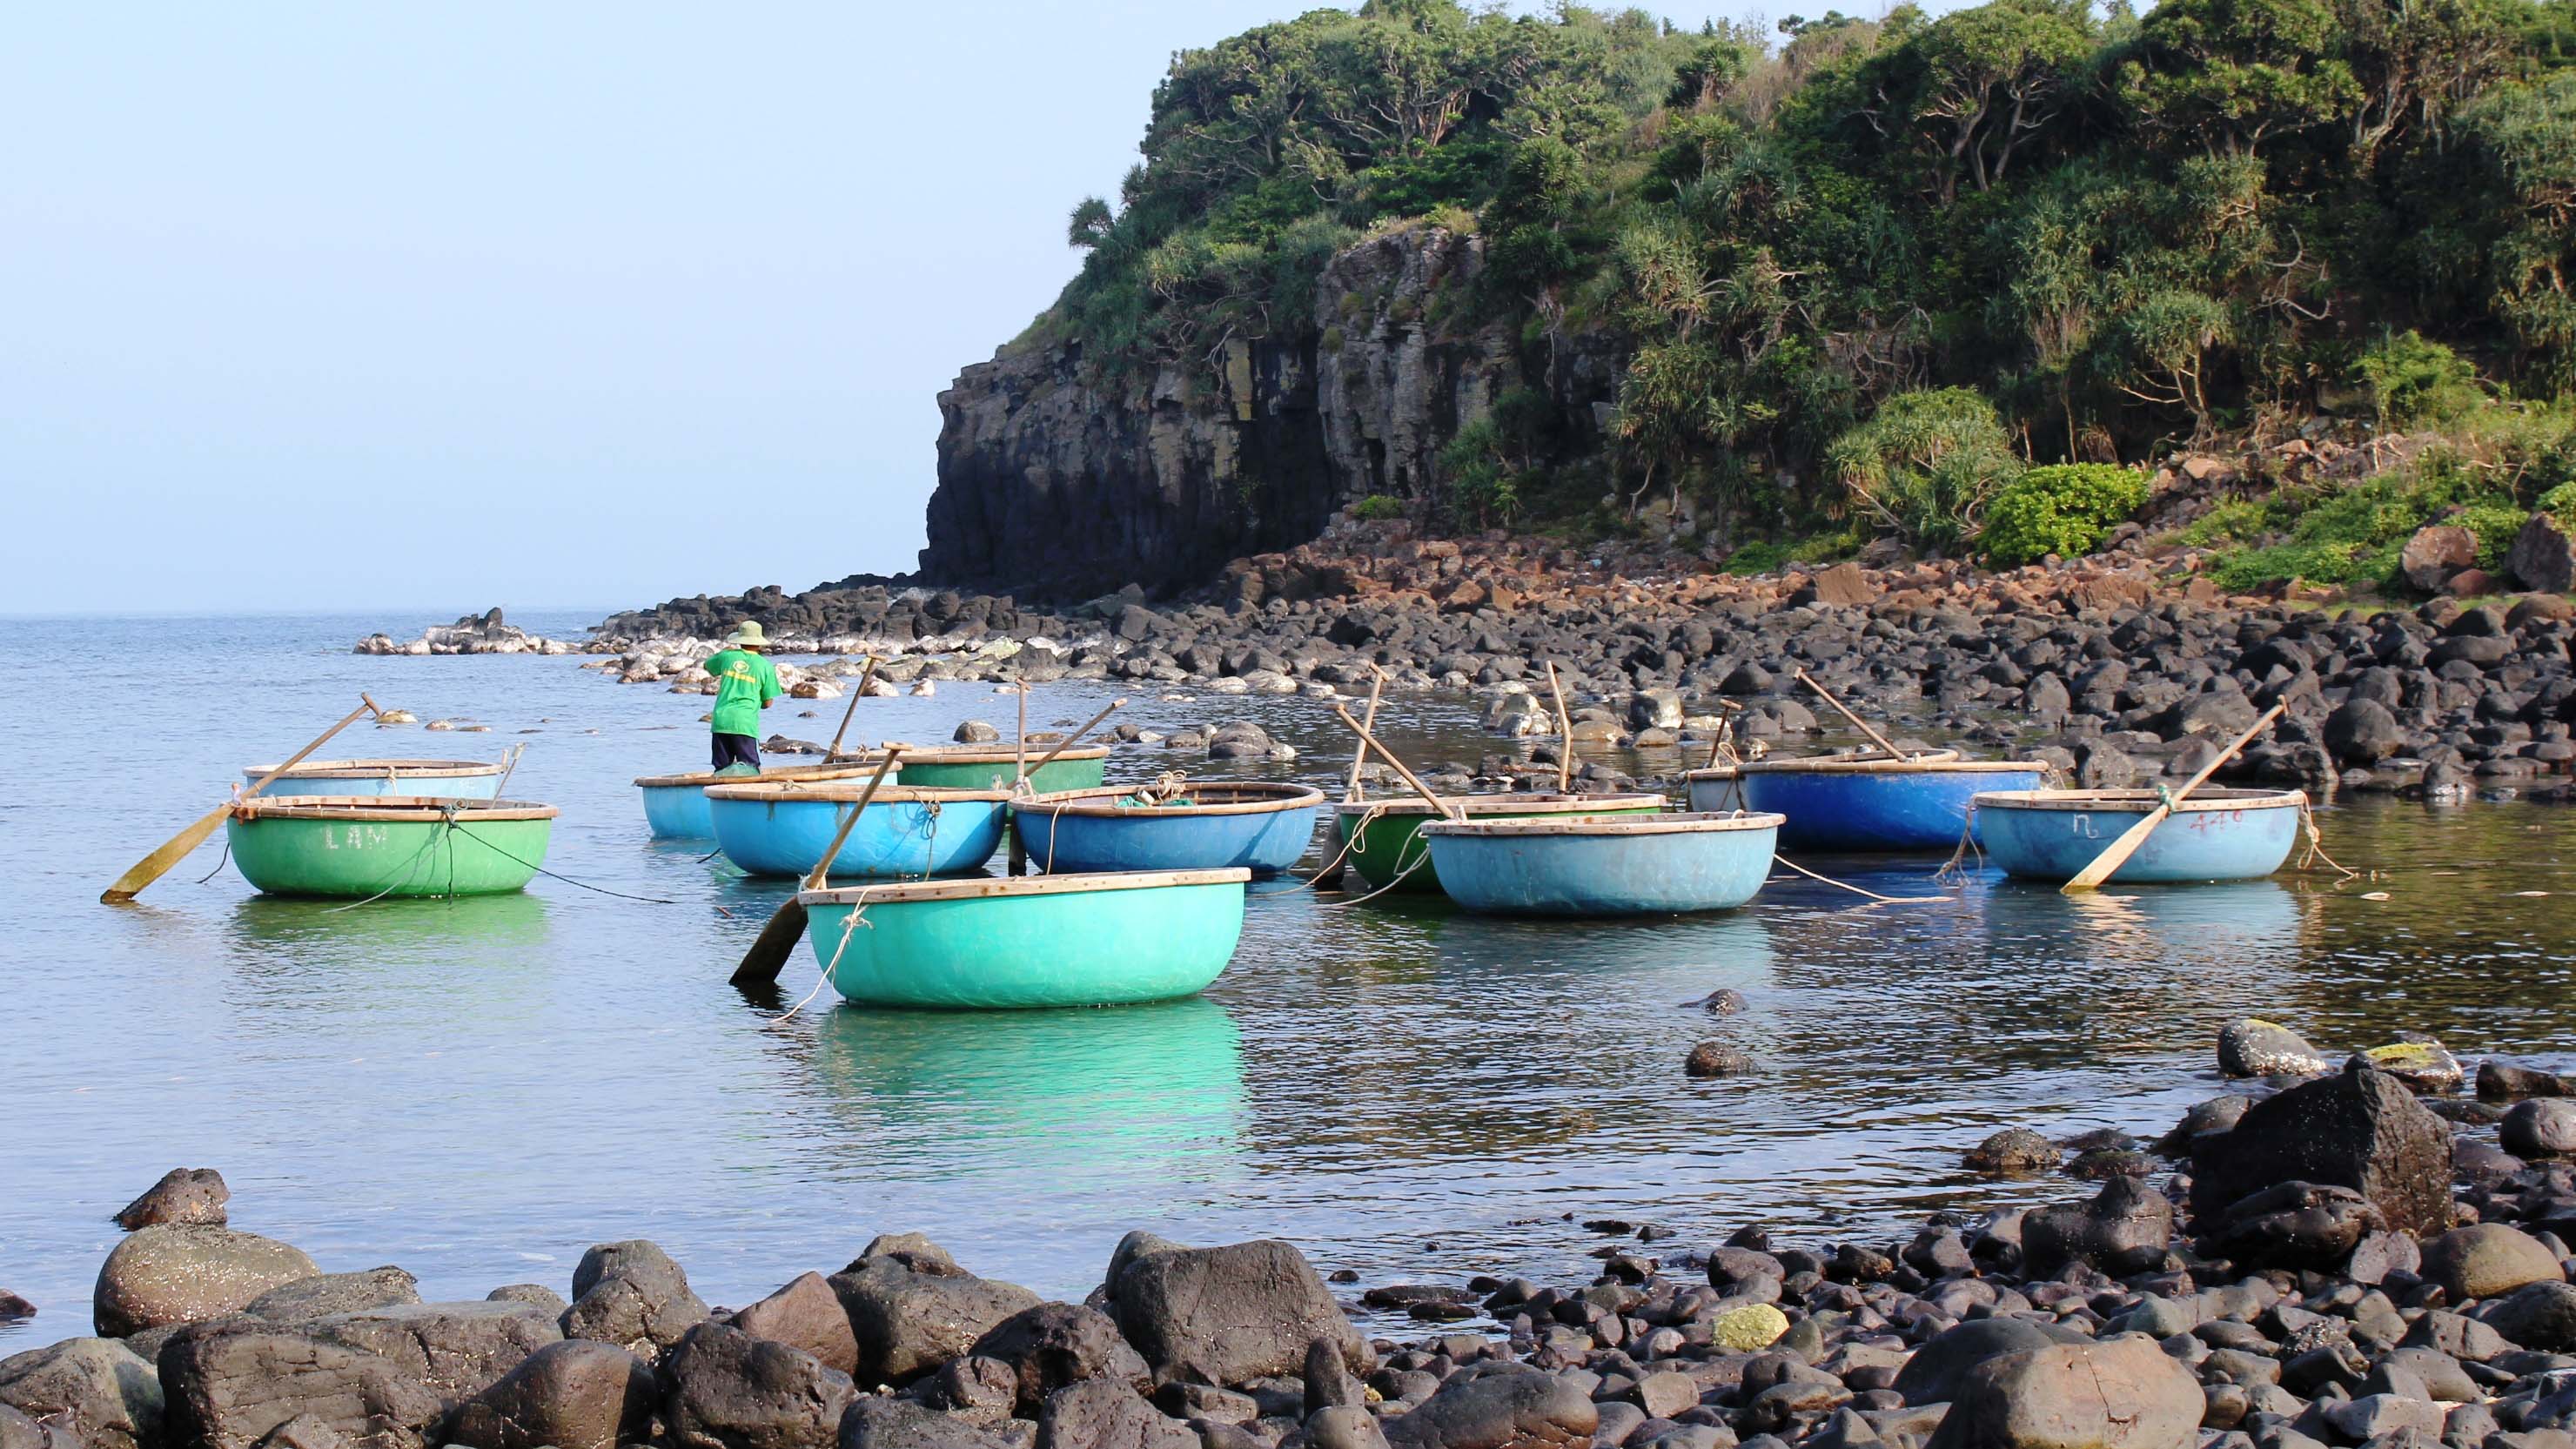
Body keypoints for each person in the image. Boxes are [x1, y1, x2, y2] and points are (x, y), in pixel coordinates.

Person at [706, 622, 782, 772]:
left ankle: (718, 793)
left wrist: (725, 652)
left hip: (721, 720)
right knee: (750, 767)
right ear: (759, 644)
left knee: (721, 768)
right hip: (745, 723)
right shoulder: (765, 666)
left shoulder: (727, 656)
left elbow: (709, 666)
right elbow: (768, 702)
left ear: (740, 640)